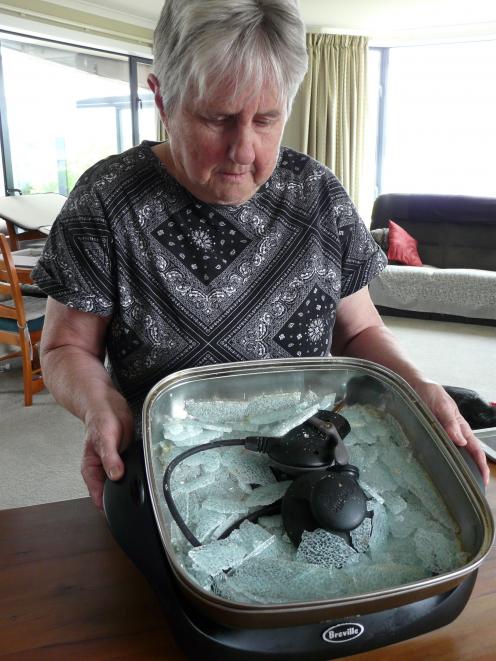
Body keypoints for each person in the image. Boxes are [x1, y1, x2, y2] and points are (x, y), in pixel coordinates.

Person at [33, 0, 489, 510]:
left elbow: (359, 330)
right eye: (217, 118)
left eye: (267, 119)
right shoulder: (106, 198)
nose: (244, 150)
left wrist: (417, 385)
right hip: (173, 473)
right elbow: (64, 348)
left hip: (313, 462)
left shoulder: (317, 193)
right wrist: (100, 405)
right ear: (162, 99)